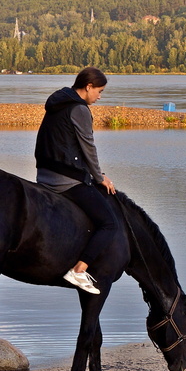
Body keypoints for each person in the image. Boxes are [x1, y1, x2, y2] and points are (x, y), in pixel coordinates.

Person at [34, 66, 121, 294]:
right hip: (65, 179)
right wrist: (99, 176)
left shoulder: (57, 103)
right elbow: (88, 147)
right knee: (109, 223)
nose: (99, 97)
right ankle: (80, 270)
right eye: (99, 91)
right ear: (88, 86)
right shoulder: (79, 109)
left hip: (43, 173)